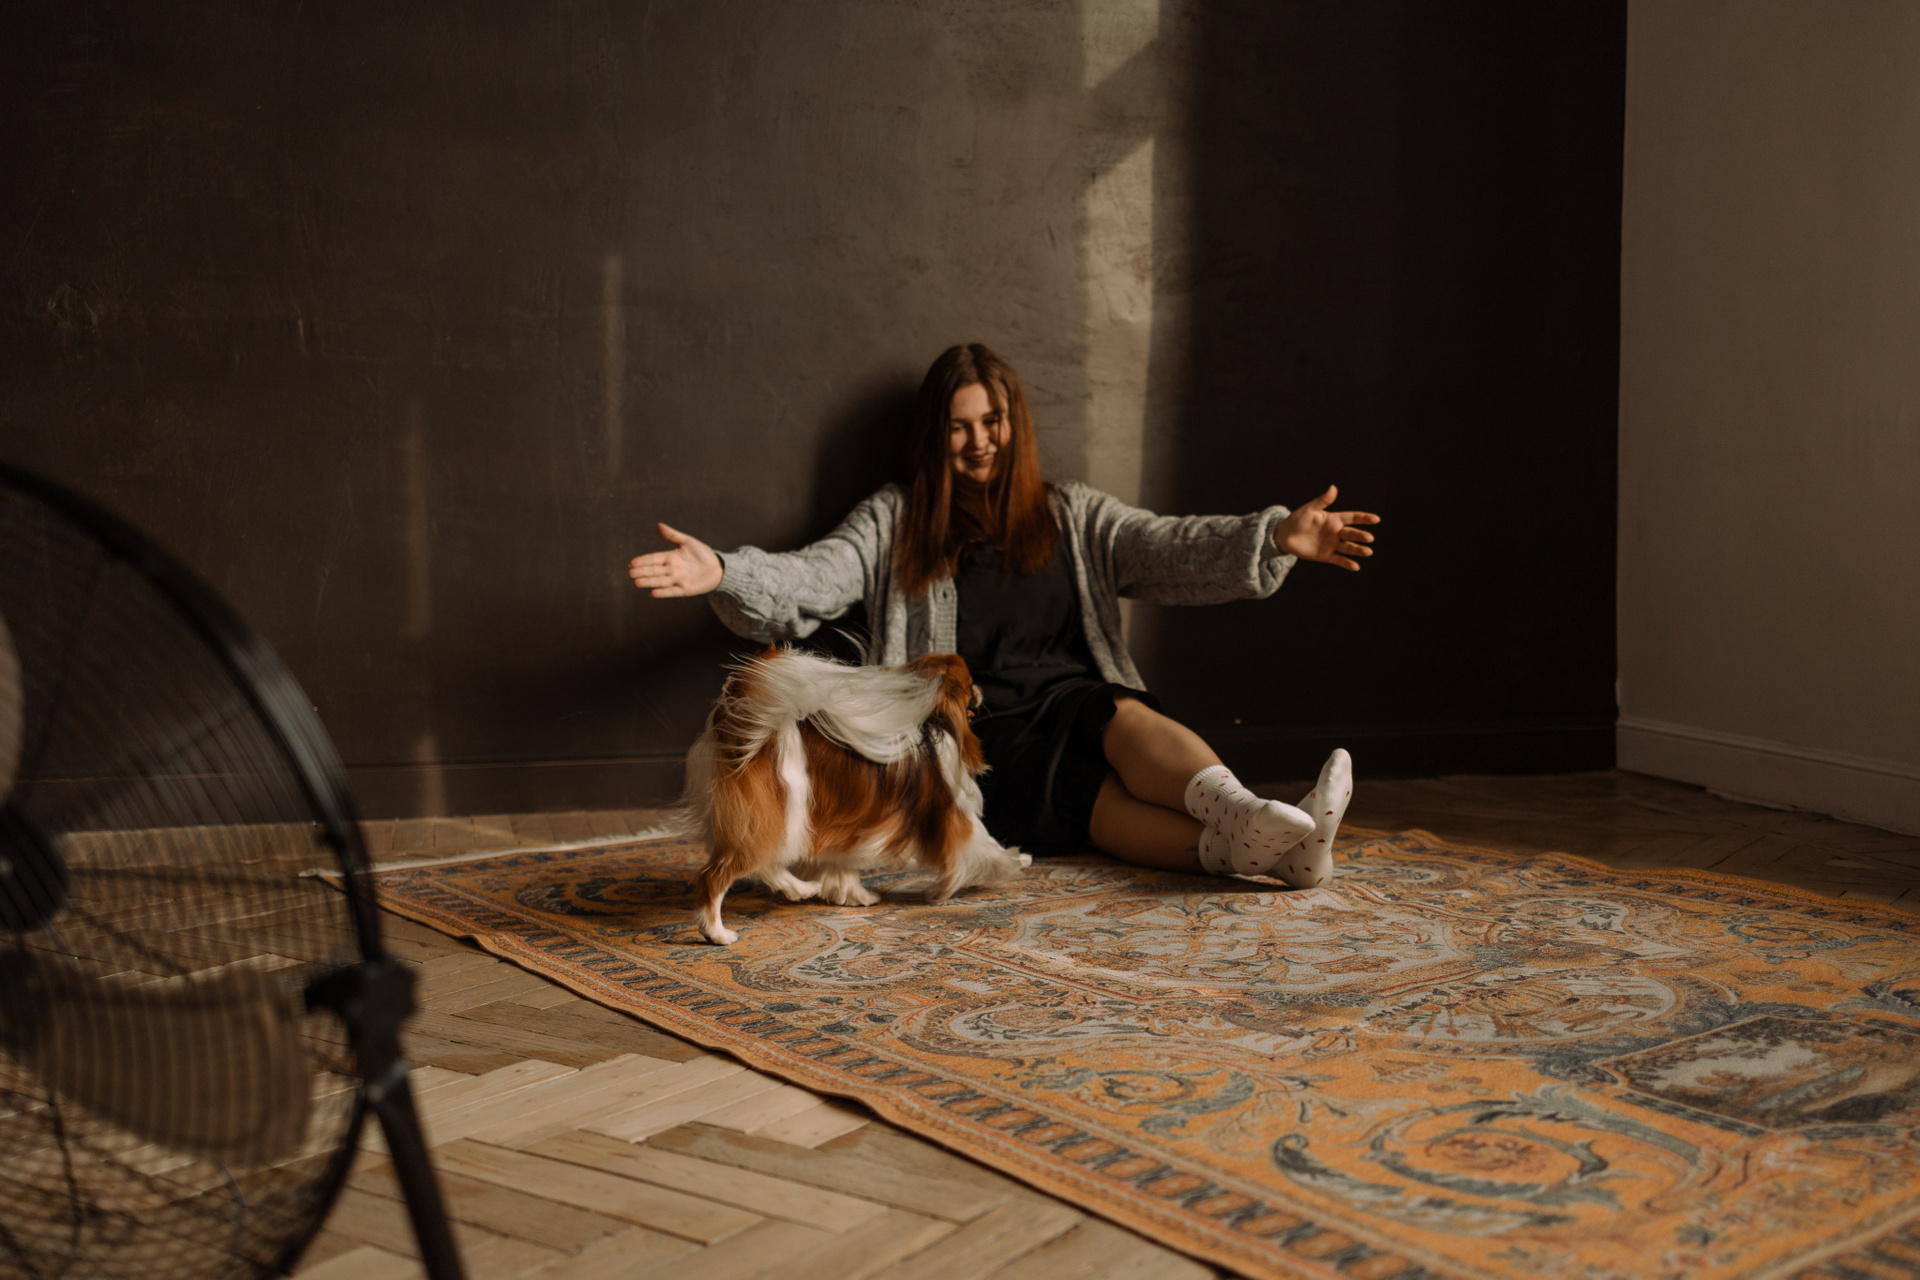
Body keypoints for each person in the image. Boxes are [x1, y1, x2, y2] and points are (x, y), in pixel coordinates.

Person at [627, 343, 1380, 887]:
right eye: (960, 426)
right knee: (1087, 803)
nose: (980, 441)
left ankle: (1249, 812)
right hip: (980, 740)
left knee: (1115, 712)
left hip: (1077, 700)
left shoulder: (1072, 514)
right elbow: (815, 576)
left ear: (1014, 423)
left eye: (993, 421)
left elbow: (1168, 547)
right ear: (935, 435)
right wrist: (723, 570)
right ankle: (1286, 854)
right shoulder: (896, 521)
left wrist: (1273, 536)